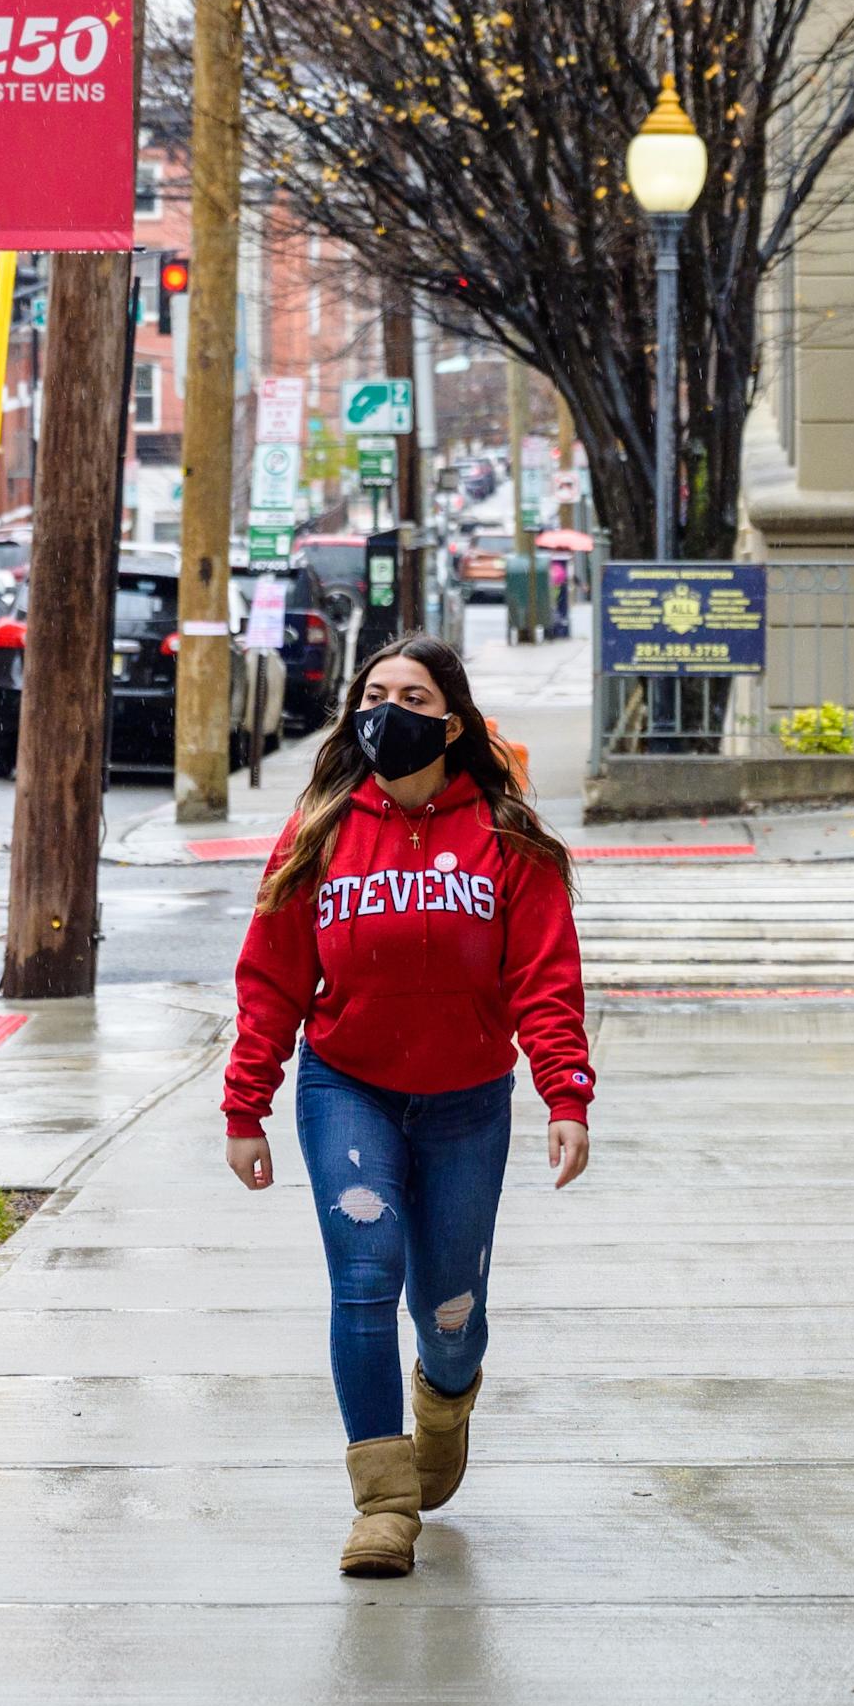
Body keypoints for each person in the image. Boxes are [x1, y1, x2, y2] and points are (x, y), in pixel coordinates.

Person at [223, 632, 593, 1578]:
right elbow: (270, 977)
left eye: (414, 696)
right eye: (375, 693)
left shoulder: (508, 840)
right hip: (348, 1089)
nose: (390, 711)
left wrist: (564, 1092)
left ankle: (446, 1395)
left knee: (450, 1314)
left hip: (468, 1103)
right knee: (363, 1280)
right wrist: (245, 1103)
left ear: (452, 722)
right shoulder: (321, 828)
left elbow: (546, 979)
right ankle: (382, 1505)